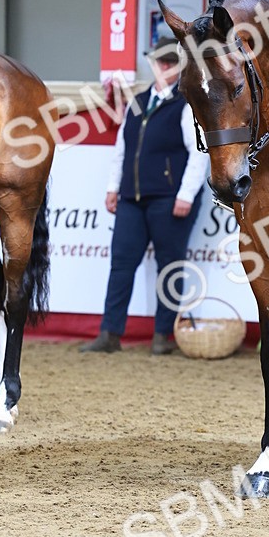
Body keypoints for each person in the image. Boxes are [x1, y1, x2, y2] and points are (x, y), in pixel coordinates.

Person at [80, 40, 209, 355]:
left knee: (170, 266)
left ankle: (162, 335)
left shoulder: (187, 103)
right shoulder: (137, 103)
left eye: (170, 62)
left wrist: (186, 195)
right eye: (160, 62)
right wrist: (114, 187)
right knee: (121, 265)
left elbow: (198, 153)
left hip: (169, 199)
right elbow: (122, 149)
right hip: (132, 199)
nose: (164, 67)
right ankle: (110, 333)